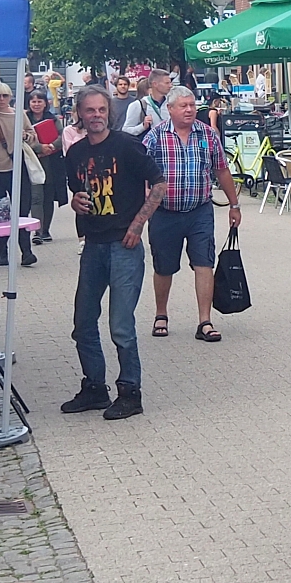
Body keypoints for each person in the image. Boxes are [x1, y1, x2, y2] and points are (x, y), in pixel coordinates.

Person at [62, 86, 167, 420]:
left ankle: (129, 392)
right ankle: (94, 387)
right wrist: (74, 203)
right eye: (89, 111)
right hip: (93, 245)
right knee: (83, 322)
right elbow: (76, 193)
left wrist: (137, 225)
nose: (96, 116)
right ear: (80, 113)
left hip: (124, 245)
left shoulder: (127, 145)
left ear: (109, 112)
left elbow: (159, 184)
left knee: (120, 324)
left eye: (101, 110)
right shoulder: (75, 153)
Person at [142, 87, 242, 343]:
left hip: (200, 211)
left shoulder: (208, 134)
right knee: (164, 267)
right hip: (165, 213)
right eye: (183, 106)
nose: (189, 110)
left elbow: (222, 170)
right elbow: (140, 172)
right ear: (171, 109)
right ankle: (161, 314)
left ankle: (205, 321)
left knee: (204, 263)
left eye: (192, 105)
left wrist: (234, 205)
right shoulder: (155, 137)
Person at [0, 82, 39, 266]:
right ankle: (2, 253)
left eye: (5, 96)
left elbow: (32, 135)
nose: (2, 99)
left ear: (10, 97)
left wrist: (26, 136)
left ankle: (26, 252)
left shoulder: (19, 115)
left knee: (21, 211)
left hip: (18, 170)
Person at [26, 90, 68, 244]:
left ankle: (45, 230)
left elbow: (61, 136)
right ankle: (37, 231)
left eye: (39, 101)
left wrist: (49, 146)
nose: (36, 104)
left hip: (51, 163)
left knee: (48, 198)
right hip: (32, 162)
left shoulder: (53, 119)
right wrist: (39, 148)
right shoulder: (24, 119)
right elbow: (22, 137)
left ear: (46, 103)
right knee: (36, 197)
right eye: (33, 101)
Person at [123, 69, 172, 138]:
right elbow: (126, 130)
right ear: (155, 84)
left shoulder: (172, 103)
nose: (170, 86)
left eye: (170, 83)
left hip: (168, 146)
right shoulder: (139, 105)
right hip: (147, 147)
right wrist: (143, 126)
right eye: (167, 83)